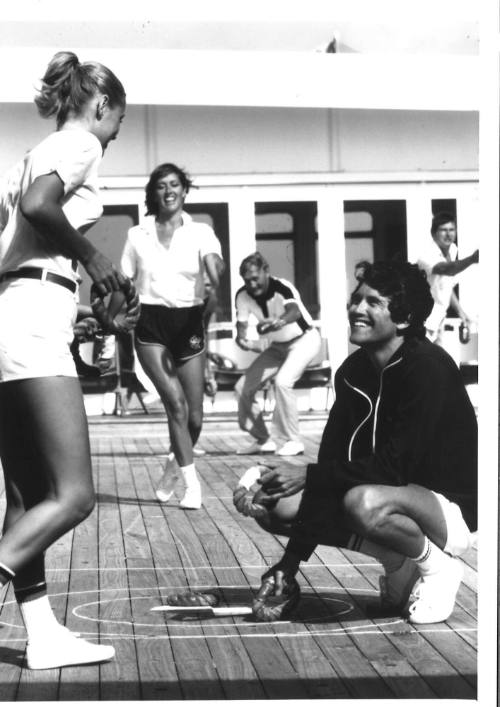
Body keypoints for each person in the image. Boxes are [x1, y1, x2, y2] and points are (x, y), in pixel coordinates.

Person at [234, 261, 477, 625]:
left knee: (362, 501)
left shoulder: (428, 368)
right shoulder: (352, 373)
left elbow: (393, 468)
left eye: (372, 303)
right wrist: (290, 564)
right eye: (355, 300)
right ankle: (398, 561)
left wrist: (308, 476)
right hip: (391, 500)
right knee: (276, 504)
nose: (356, 309)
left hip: (450, 511)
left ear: (405, 318)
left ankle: (438, 567)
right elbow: (333, 462)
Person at [0, 51, 131, 669]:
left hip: (16, 311)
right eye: (117, 123)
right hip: (28, 324)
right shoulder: (81, 144)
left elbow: (25, 252)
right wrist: (97, 261)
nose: (113, 136)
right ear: (101, 105)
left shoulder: (38, 150)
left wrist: (80, 308)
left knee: (27, 498)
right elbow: (39, 211)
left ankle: (43, 633)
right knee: (73, 494)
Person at [120, 163, 224, 509]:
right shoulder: (138, 234)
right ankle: (192, 486)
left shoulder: (201, 231)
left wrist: (213, 275)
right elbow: (125, 280)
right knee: (175, 405)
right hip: (151, 324)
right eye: (162, 185)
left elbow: (214, 264)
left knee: (194, 417)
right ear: (154, 193)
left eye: (175, 184)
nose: (169, 191)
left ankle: (172, 467)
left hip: (189, 321)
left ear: (184, 190)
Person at [234, 252, 322, 457]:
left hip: (305, 340)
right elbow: (242, 323)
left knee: (282, 382)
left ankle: (293, 441)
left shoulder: (281, 286)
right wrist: (242, 339)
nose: (252, 284)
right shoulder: (242, 295)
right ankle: (263, 439)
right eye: (247, 281)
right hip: (277, 347)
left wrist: (276, 322)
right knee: (241, 388)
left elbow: (294, 312)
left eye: (255, 278)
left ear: (266, 272)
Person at [417, 211, 478, 345]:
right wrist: (472, 259)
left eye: (451, 229)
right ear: (433, 233)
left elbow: (446, 286)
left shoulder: (452, 250)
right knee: (423, 360)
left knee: (440, 361)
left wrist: (461, 312)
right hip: (423, 320)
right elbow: (446, 270)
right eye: (443, 230)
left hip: (439, 318)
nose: (448, 234)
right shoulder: (426, 254)